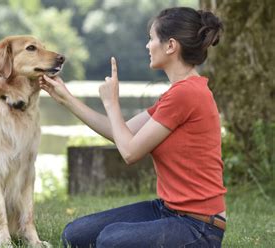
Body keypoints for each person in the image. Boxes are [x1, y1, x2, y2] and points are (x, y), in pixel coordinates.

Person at [39, 7, 226, 248]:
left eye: (151, 38)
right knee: (75, 234)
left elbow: (129, 152)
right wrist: (67, 99)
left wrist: (112, 103)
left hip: (199, 226)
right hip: (168, 210)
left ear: (170, 45)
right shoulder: (176, 94)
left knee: (110, 241)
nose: (148, 46)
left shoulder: (187, 94)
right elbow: (121, 132)